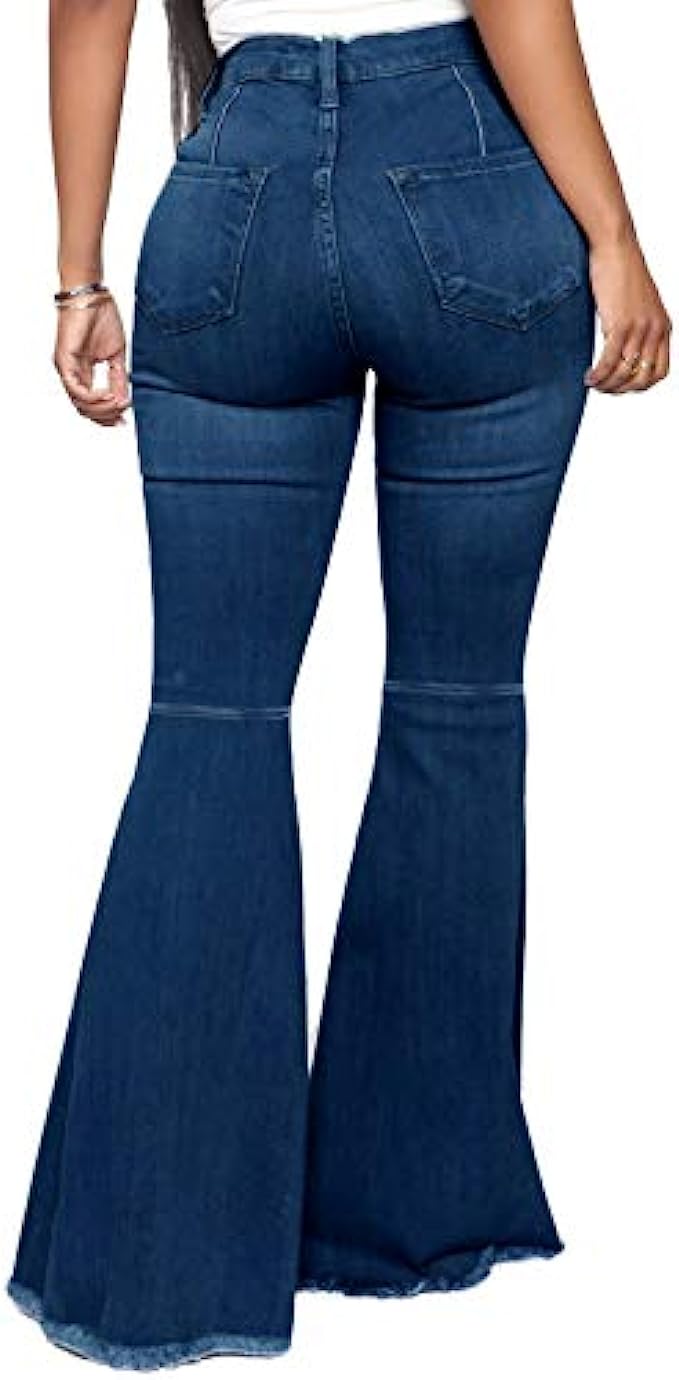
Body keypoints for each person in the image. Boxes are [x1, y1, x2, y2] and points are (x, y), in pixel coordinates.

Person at [6, 0, 671, 1370]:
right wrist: (612, 233)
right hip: (471, 189)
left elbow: (90, 8)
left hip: (228, 201)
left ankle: (152, 1267)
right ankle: (407, 1217)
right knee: (455, 706)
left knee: (211, 716)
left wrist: (78, 275)